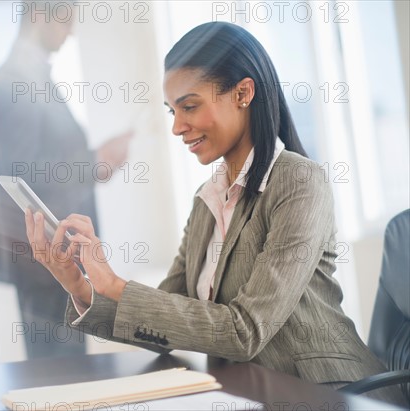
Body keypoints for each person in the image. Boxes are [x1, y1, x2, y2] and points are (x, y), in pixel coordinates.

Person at [24, 22, 406, 404]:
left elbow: (248, 331)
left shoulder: (299, 182)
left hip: (329, 395)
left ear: (243, 92)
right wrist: (82, 286)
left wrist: (116, 284)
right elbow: (159, 322)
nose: (177, 127)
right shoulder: (207, 201)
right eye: (172, 110)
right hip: (245, 394)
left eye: (189, 106)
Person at [0, 4, 131, 359]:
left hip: (55, 264)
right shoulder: (15, 82)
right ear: (39, 15)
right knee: (63, 380)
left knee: (67, 378)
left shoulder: (30, 78)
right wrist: (94, 164)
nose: (71, 32)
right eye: (65, 21)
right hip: (46, 267)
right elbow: (23, 174)